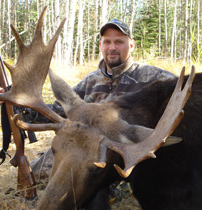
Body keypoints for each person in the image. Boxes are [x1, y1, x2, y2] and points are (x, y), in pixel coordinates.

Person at [29, 19, 176, 179]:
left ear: (131, 45)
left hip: (131, 156)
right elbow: (59, 110)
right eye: (107, 42)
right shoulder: (90, 81)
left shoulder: (153, 77)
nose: (112, 47)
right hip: (88, 151)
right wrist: (23, 107)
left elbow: (186, 91)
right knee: (36, 172)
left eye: (119, 42)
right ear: (101, 46)